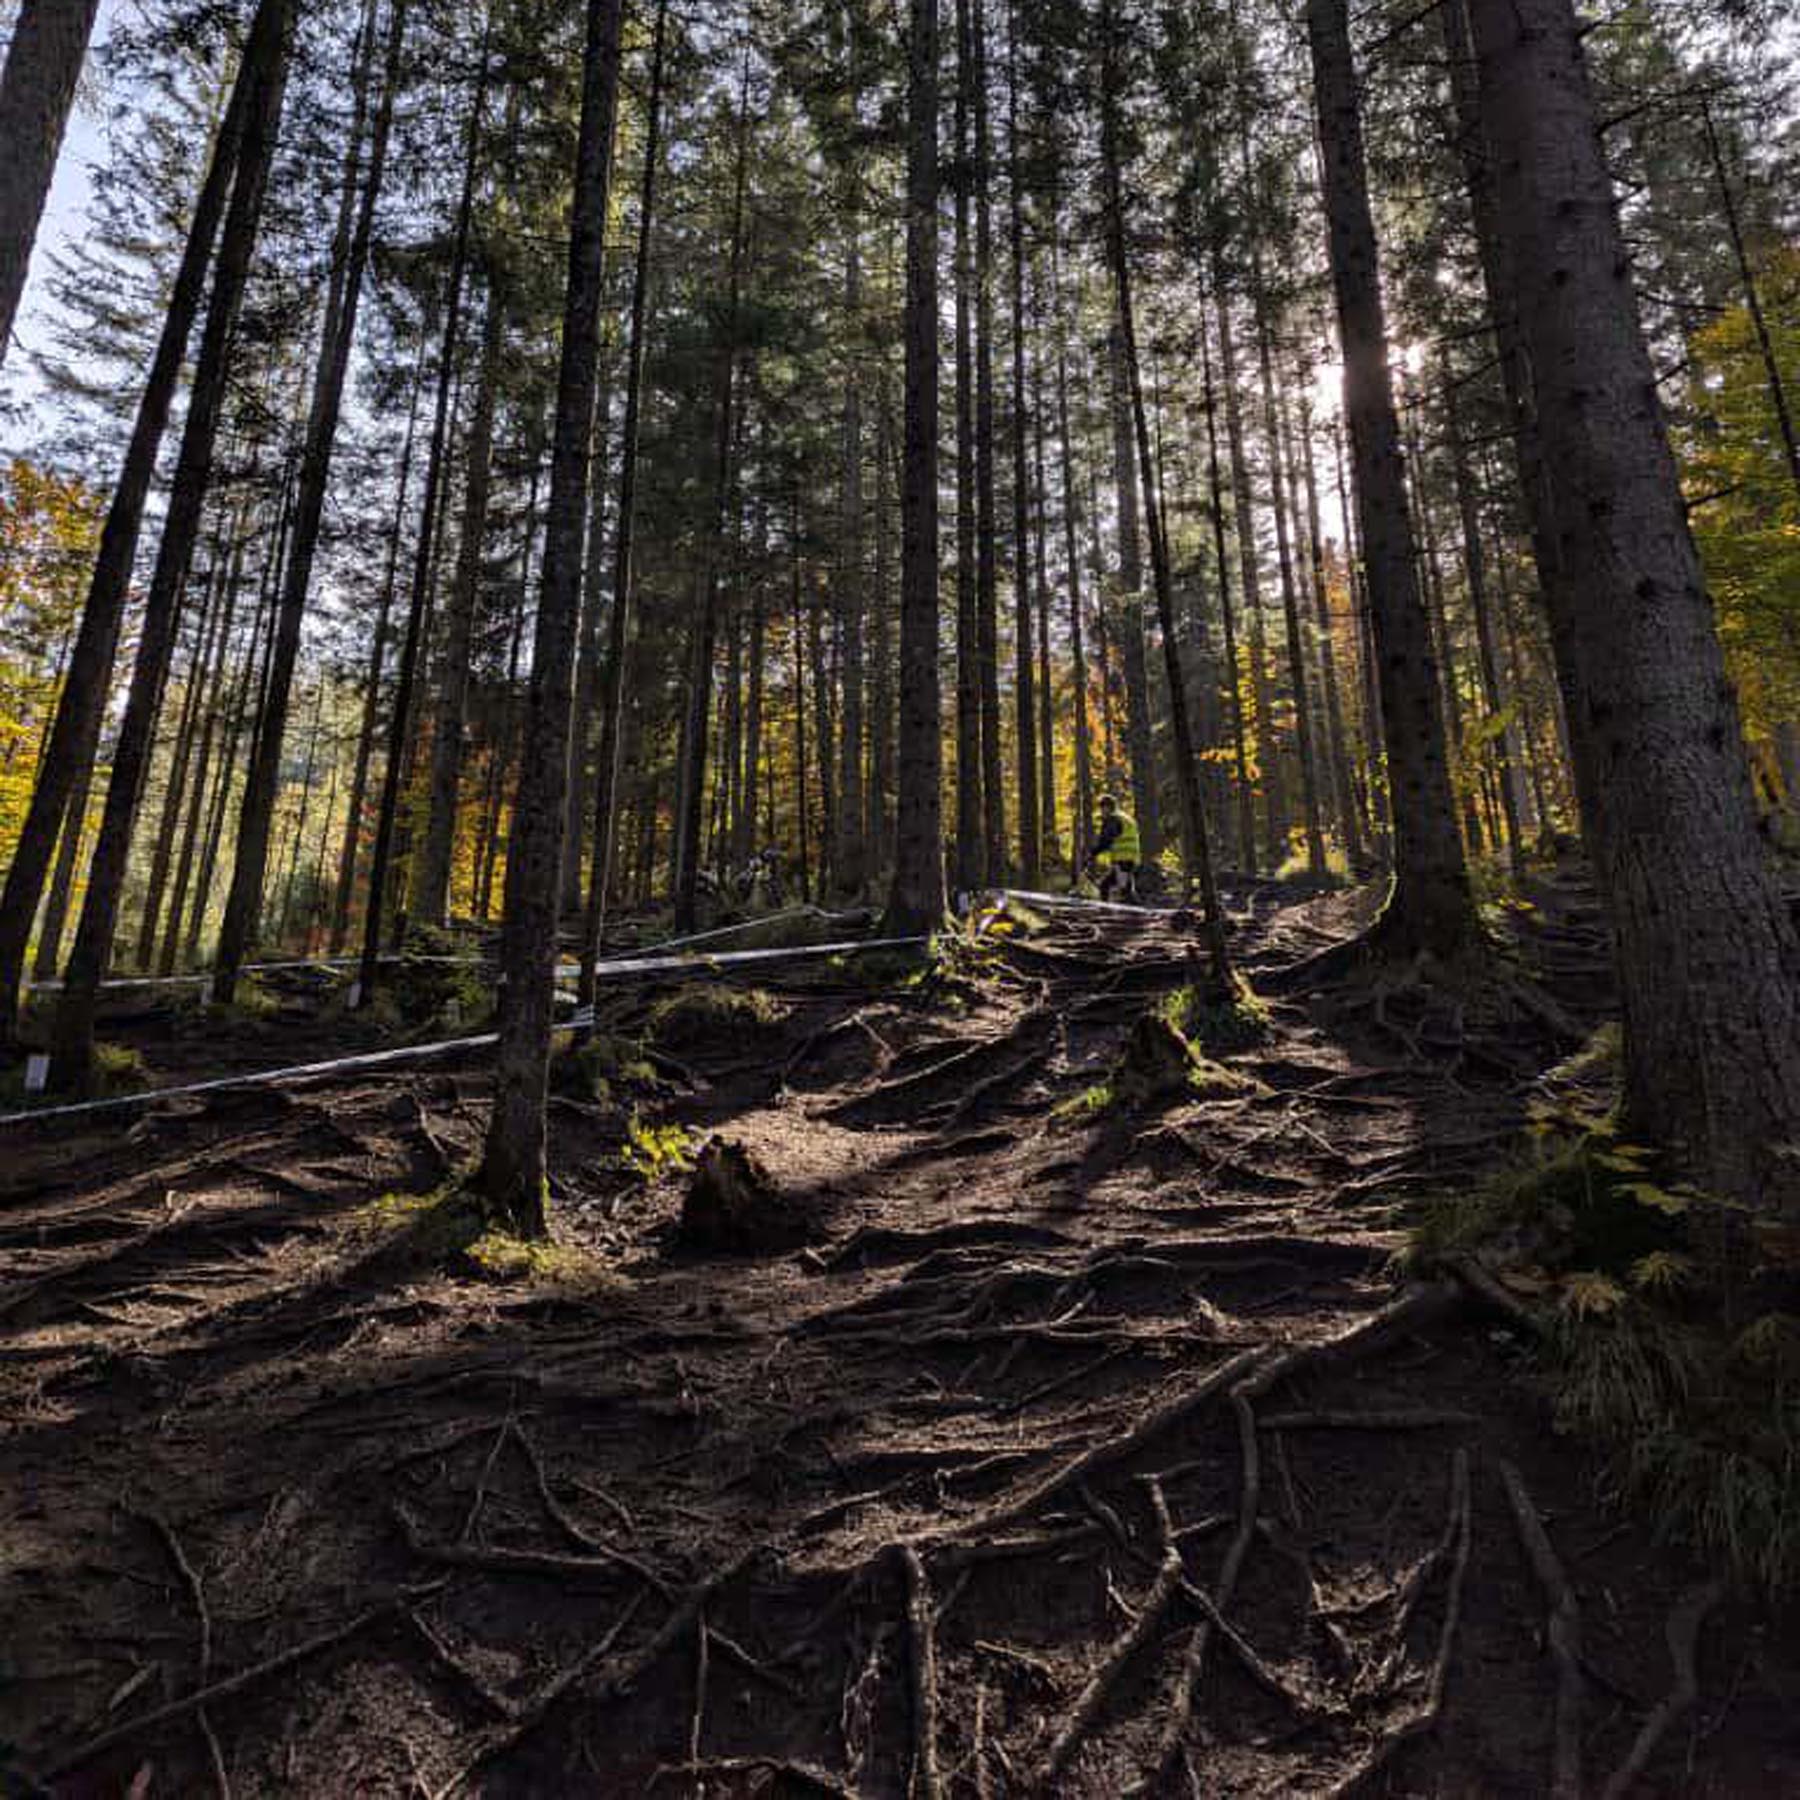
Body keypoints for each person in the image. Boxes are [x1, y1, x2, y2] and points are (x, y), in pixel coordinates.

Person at [1088, 793, 1142, 903]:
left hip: (1123, 859)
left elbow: (1106, 840)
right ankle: (1112, 907)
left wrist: (1093, 853)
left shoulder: (1113, 819)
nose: (1101, 811)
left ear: (1108, 807)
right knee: (1107, 885)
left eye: (1102, 808)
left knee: (1121, 889)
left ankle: (1109, 908)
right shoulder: (1125, 818)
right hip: (1130, 858)